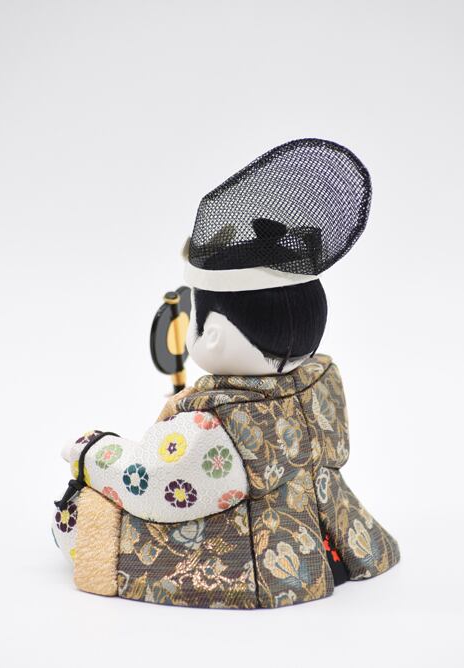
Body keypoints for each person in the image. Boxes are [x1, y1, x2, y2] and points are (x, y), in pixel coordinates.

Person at [53, 139, 399, 608]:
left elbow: (153, 486)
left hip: (256, 560)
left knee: (78, 516)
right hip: (331, 532)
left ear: (212, 334)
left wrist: (95, 450)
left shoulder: (213, 422)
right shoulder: (323, 382)